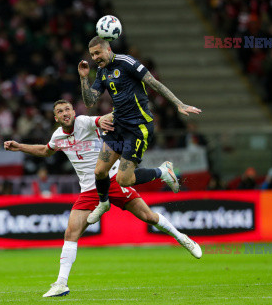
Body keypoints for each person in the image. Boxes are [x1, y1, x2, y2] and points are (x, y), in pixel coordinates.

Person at [4, 100, 202, 298]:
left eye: (67, 109)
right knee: (71, 233)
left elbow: (101, 119)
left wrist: (120, 112)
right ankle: (61, 284)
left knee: (149, 217)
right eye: (60, 111)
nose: (65, 113)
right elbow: (46, 151)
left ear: (73, 112)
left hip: (113, 178)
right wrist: (19, 146)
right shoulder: (58, 135)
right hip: (88, 190)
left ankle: (181, 237)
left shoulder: (84, 122)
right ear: (55, 118)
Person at [78, 36, 202, 224]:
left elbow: (153, 83)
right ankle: (104, 203)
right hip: (117, 124)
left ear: (108, 49)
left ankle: (163, 171)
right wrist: (84, 78)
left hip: (138, 127)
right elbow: (89, 102)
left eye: (98, 52)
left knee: (123, 180)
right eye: (92, 54)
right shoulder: (102, 72)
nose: (95, 57)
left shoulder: (127, 62)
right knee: (99, 172)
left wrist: (178, 103)